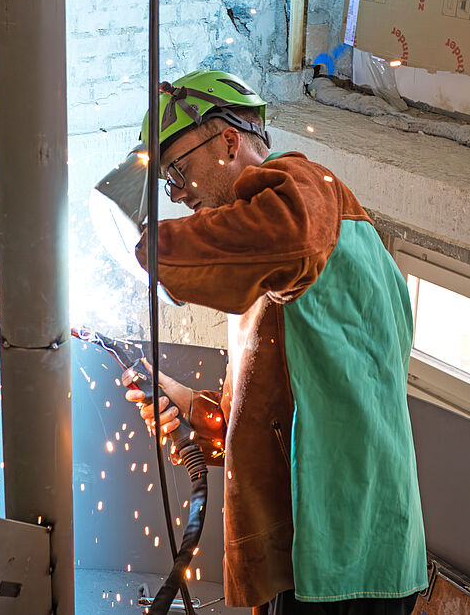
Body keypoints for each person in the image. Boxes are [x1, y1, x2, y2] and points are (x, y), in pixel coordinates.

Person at [121, 69, 427, 615]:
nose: (178, 193)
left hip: (349, 554)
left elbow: (288, 236)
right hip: (314, 557)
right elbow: (277, 420)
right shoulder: (274, 276)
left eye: (180, 170)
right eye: (169, 181)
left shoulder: (309, 193)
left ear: (230, 140)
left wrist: (145, 251)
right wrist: (188, 407)